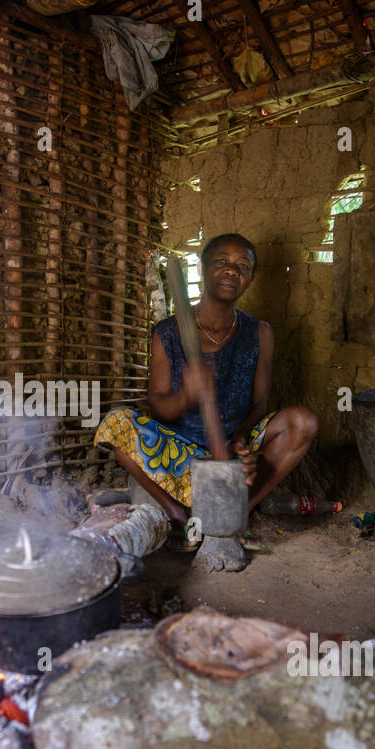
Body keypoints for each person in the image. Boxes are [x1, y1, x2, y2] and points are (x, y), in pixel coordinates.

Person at [94, 233, 318, 547]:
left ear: (250, 279)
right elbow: (157, 407)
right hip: (178, 451)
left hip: (230, 446)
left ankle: (237, 511)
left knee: (303, 421)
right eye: (222, 262)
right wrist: (187, 395)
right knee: (116, 424)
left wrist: (240, 442)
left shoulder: (260, 333)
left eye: (243, 266)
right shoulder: (168, 333)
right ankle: (178, 516)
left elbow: (260, 403)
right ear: (202, 269)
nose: (232, 271)